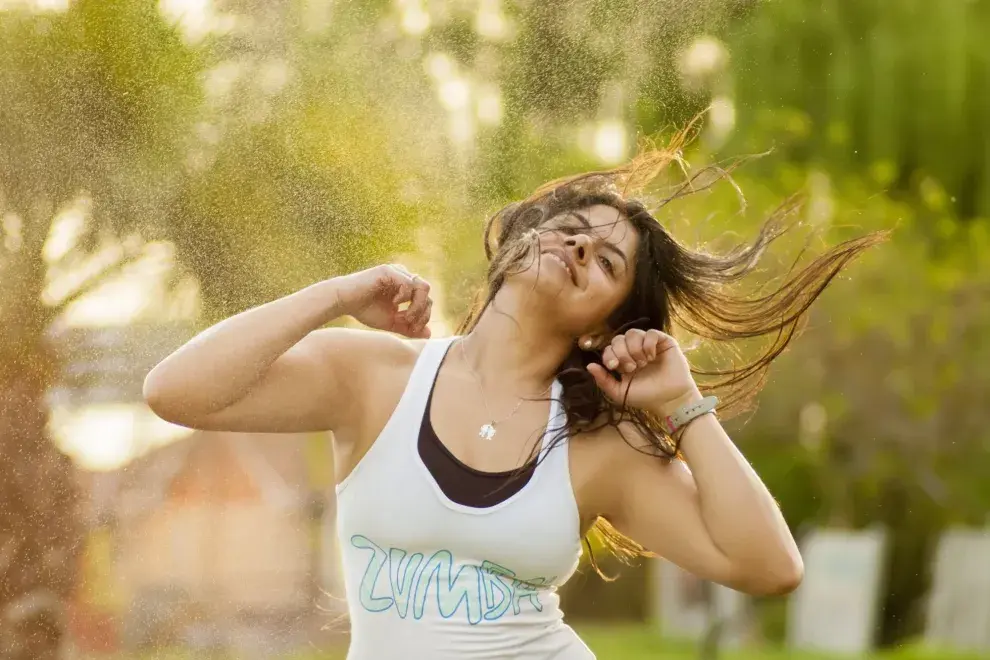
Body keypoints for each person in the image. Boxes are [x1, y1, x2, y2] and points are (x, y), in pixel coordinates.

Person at [144, 130, 884, 659]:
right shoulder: (374, 378)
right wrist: (339, 294)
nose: (578, 248)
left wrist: (681, 403)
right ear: (522, 238)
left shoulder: (599, 448)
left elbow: (771, 567)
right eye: (570, 229)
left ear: (604, 326)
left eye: (604, 262)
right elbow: (175, 392)